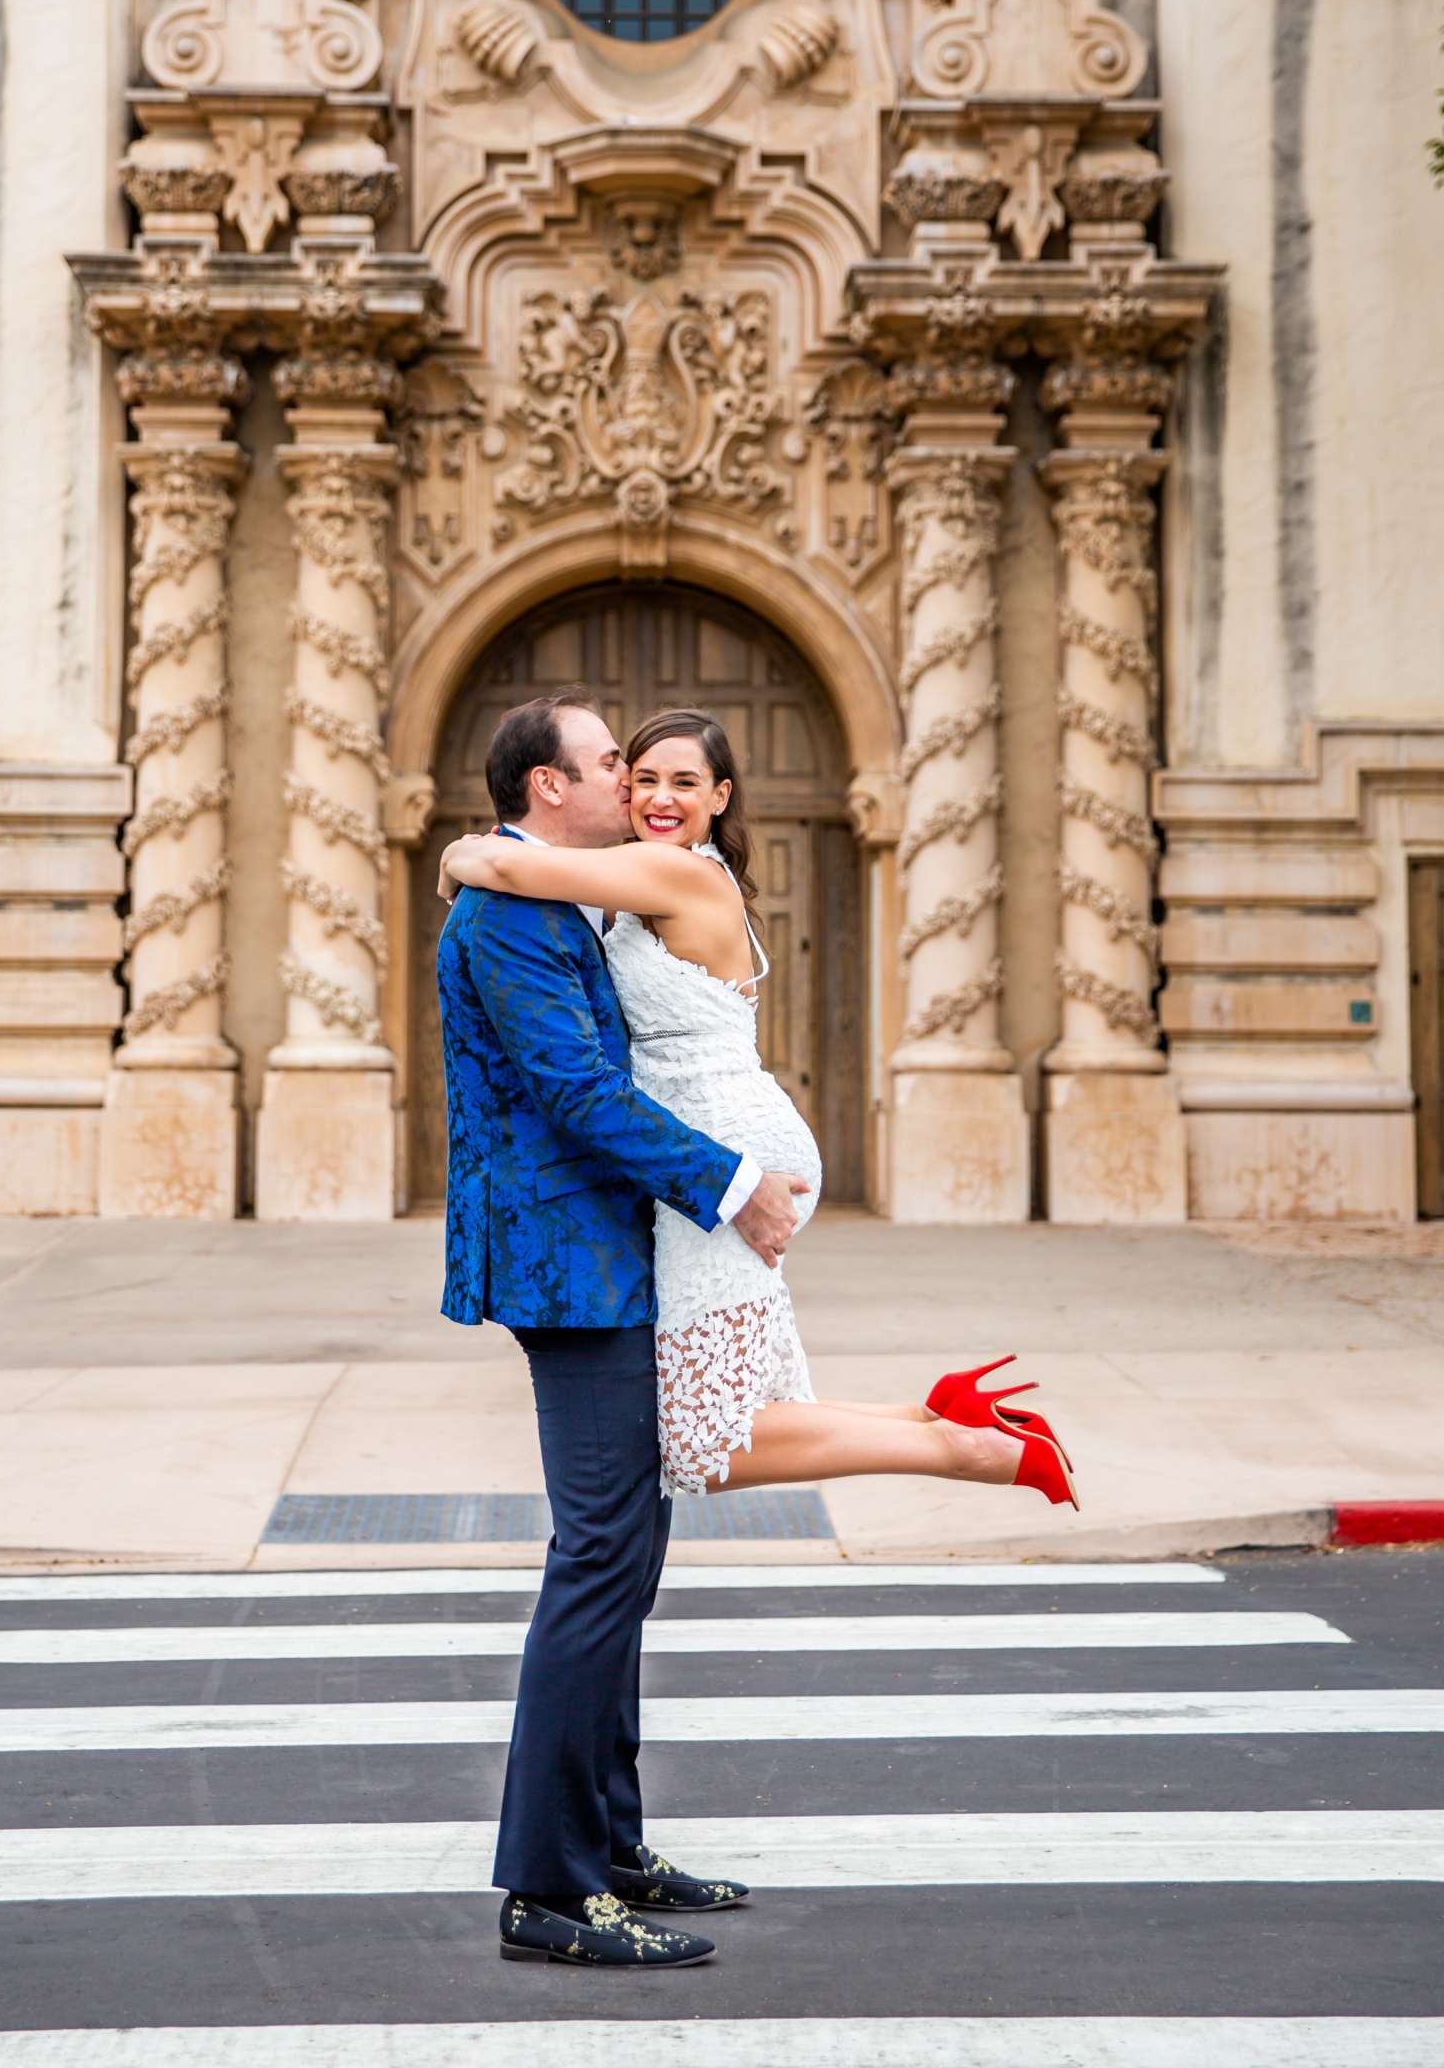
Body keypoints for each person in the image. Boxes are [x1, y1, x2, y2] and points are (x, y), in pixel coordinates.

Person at [440, 701, 1079, 1510]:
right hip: (712, 1140)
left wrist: (460, 850)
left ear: (720, 797)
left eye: (685, 782)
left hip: (731, 1147)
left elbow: (506, 867)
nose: (658, 797)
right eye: (639, 778)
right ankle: (935, 1414)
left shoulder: (678, 873)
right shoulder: (637, 878)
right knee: (728, 1411)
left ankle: (963, 1451)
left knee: (706, 1442)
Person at [435, 688, 808, 1970]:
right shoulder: (506, 915)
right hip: (566, 1263)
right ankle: (549, 1886)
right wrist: (726, 1181)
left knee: (626, 1553)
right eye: (606, 761)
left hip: (613, 1251)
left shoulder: (548, 890)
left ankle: (612, 1841)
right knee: (599, 1556)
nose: (626, 779)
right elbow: (578, 1089)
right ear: (550, 788)